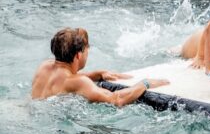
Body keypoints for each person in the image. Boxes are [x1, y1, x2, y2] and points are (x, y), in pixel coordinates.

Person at [32, 28, 169, 105]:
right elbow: (117, 99)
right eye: (87, 50)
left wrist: (96, 74)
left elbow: (64, 80)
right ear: (78, 55)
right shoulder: (79, 82)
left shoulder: (44, 66)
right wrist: (145, 83)